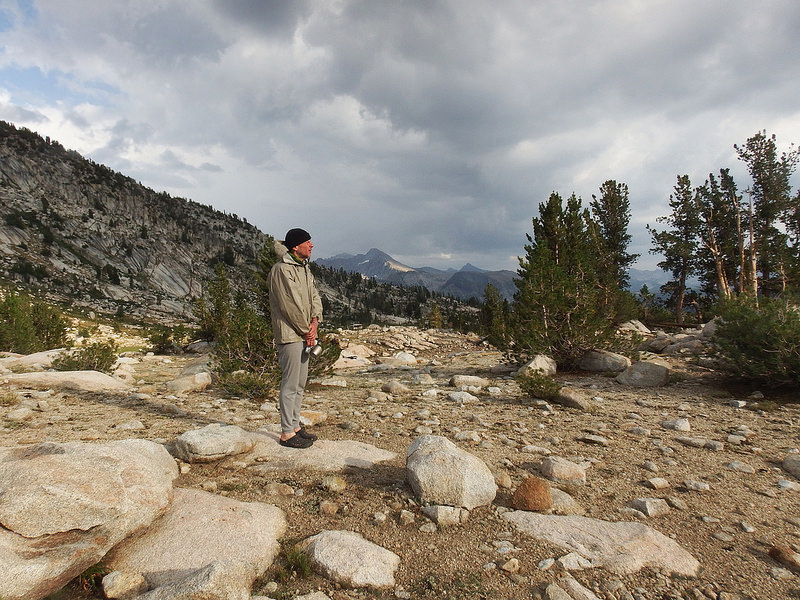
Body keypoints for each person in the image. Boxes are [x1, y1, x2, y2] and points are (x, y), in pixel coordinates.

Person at [268, 228, 323, 448]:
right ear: (295, 247)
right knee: (290, 384)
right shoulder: (282, 270)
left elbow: (314, 297)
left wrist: (315, 321)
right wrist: (306, 331)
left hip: (304, 333)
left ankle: (295, 426)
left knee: (300, 383)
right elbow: (289, 306)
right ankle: (286, 433)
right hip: (290, 334)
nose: (311, 246)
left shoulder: (304, 269)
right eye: (307, 242)